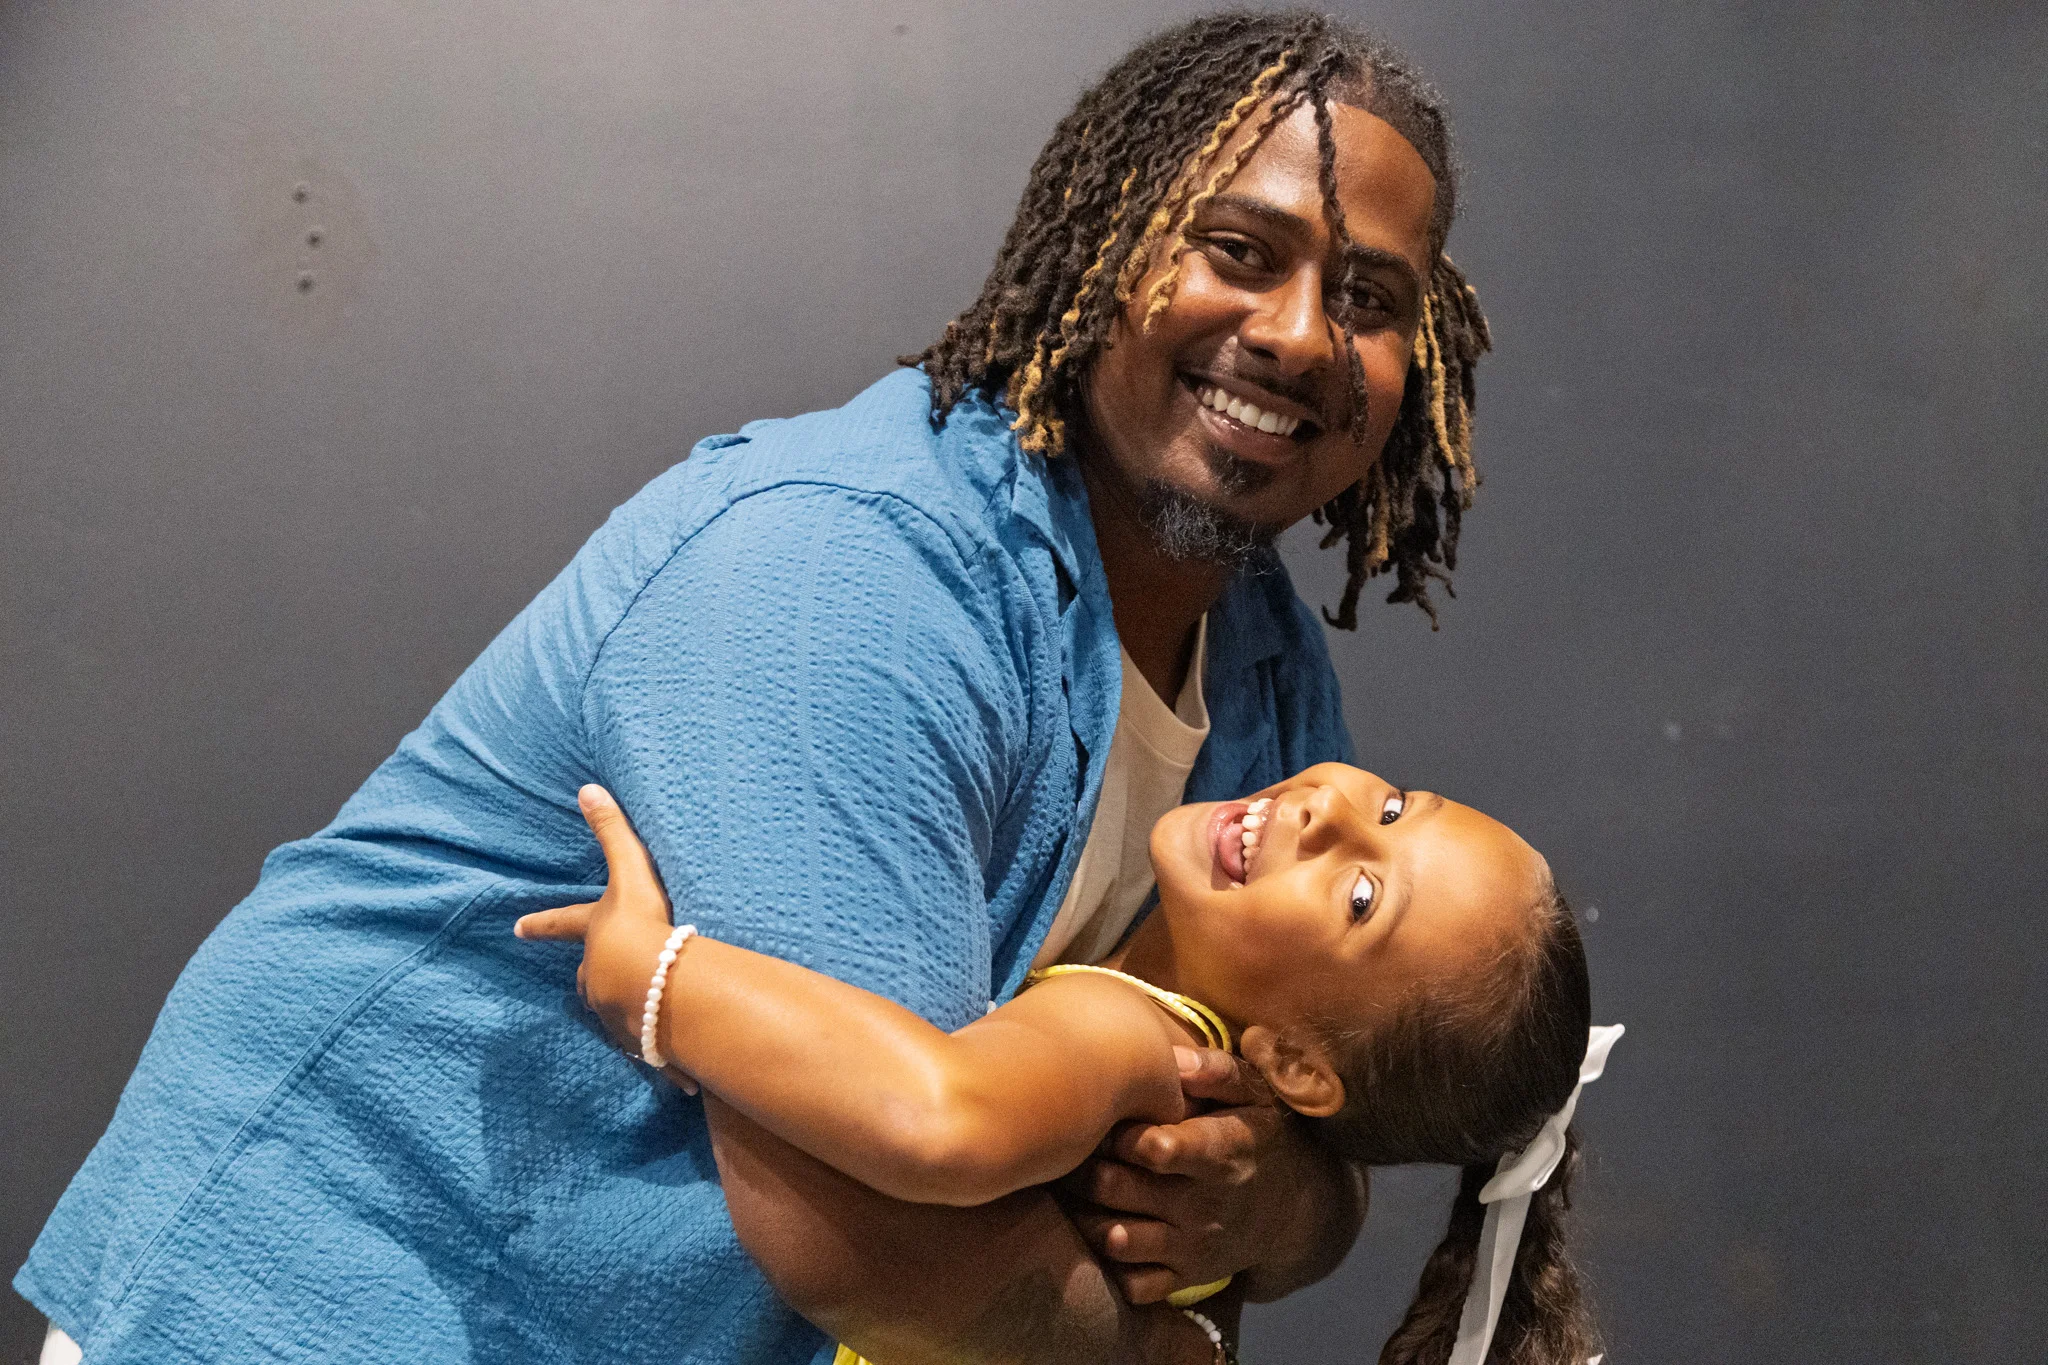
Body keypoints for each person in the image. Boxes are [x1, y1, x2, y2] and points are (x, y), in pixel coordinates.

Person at [19, 12, 1496, 1364]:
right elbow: (859, 1230)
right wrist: (1165, 1350)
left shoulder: (1267, 686)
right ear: (1109, 238)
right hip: (328, 1299)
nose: (1302, 332)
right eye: (1241, 249)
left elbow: (1320, 1089)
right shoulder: (850, 578)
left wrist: (1278, 1207)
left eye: (1366, 294)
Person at [521, 768, 1618, 1365]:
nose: (1327, 814)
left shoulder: (1128, 1031)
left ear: (1296, 1068)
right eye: (1391, 806)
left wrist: (654, 980)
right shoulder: (1218, 1095)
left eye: (1361, 897)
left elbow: (938, 1120)